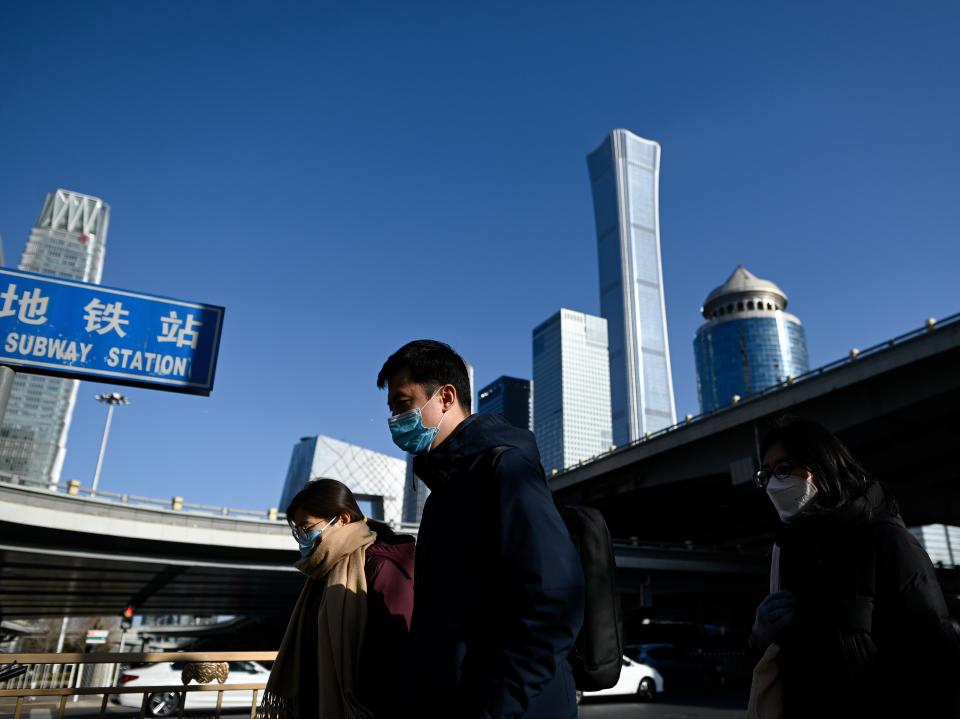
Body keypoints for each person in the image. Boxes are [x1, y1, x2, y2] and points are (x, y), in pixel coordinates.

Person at [377, 339, 585, 718]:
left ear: (445, 397)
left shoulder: (506, 470)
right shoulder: (441, 494)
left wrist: (492, 708)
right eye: (391, 410)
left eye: (403, 404)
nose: (395, 421)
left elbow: (553, 600)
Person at [750, 416, 960, 717]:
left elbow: (938, 662)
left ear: (822, 465)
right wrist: (759, 639)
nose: (774, 484)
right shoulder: (787, 554)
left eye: (785, 469)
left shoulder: (887, 540)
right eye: (766, 474)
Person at [258, 478, 415, 719]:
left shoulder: (381, 567)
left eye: (307, 528)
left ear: (342, 519)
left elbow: (397, 656)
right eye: (297, 531)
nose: (302, 537)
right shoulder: (324, 572)